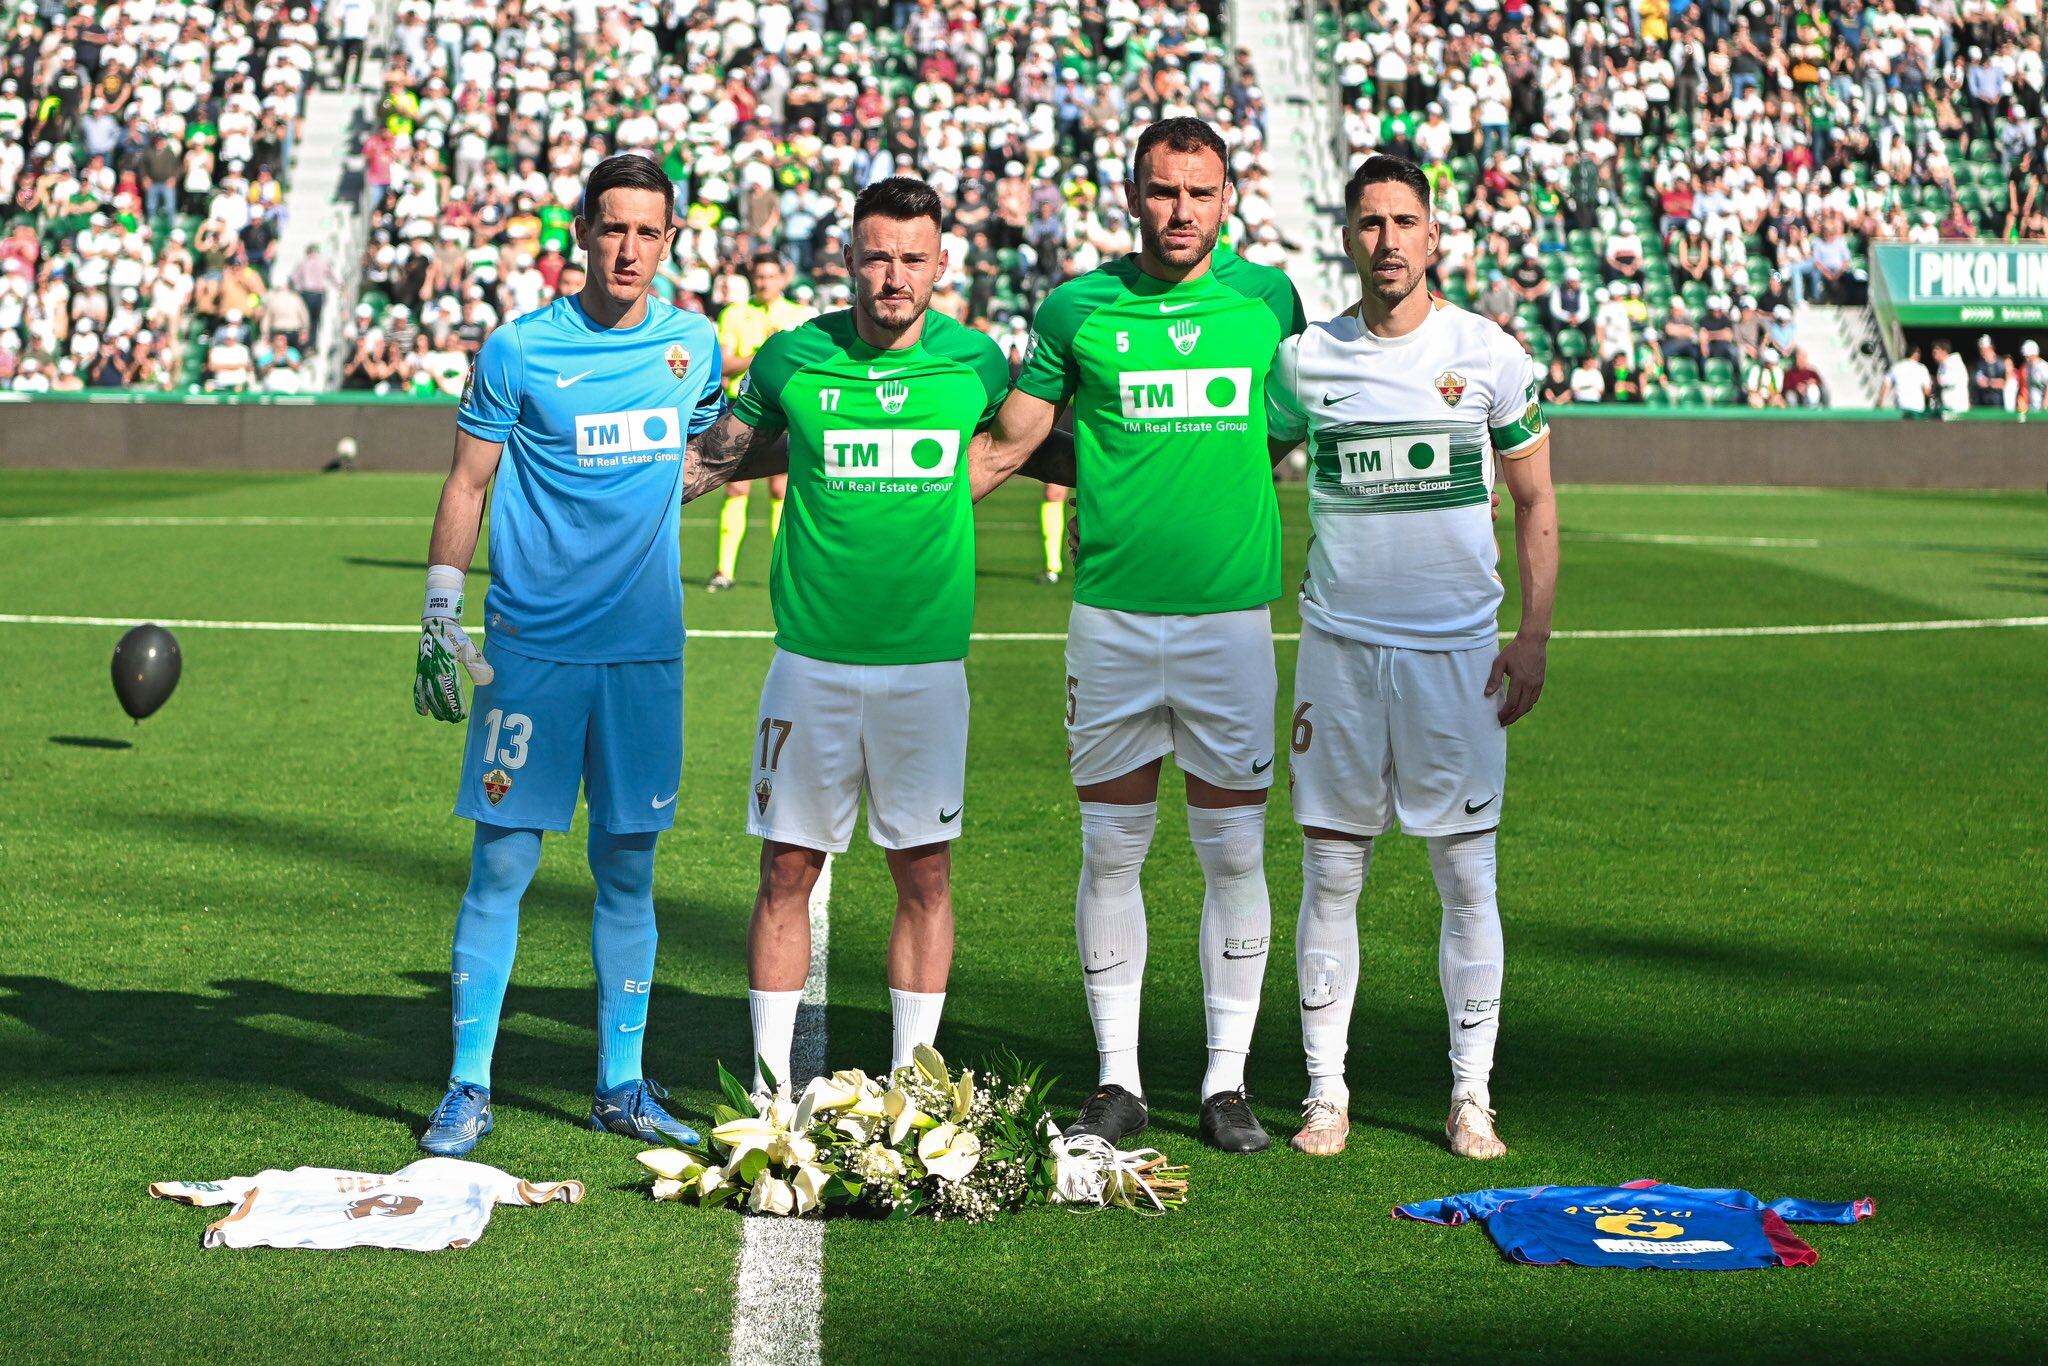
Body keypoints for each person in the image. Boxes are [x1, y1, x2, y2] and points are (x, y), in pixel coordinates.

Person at [968, 116, 1307, 1154]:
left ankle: (1223, 1082)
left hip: (1228, 623)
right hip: (1110, 622)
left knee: (1231, 852)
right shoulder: (1076, 307)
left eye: (1198, 193)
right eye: (1162, 191)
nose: (1180, 211)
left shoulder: (1266, 300)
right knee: (1111, 849)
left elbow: (1291, 424)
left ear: (1225, 200)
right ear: (1132, 194)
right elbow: (1008, 443)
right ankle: (1116, 1079)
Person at [410, 154, 727, 1157]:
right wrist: (437, 610)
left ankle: (620, 1084)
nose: (628, 249)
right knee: (501, 865)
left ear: (670, 239)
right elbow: (468, 482)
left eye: (648, 231)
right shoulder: (518, 349)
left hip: (641, 659)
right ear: (582, 234)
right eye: (611, 229)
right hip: (533, 654)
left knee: (627, 870)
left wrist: (682, 483)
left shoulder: (693, 346)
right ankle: (467, 1086)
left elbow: (704, 456)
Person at [683, 177, 1009, 1092]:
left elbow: (1027, 445)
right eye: (876, 256)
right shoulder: (791, 359)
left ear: (942, 264)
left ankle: (915, 1084)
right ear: (850, 261)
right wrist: (591, 505)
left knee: (925, 874)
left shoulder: (977, 363)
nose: (892, 276)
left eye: (912, 258)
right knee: (786, 869)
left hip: (927, 669)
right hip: (811, 665)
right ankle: (766, 1087)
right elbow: (711, 462)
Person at [1263, 153, 1556, 1161]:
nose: (1385, 241)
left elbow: (1534, 502)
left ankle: (1470, 1096)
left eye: (1403, 222)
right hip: (1340, 657)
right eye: (1367, 223)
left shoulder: (1488, 355)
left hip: (1456, 661)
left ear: (1433, 235)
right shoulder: (1305, 361)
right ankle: (1322, 1094)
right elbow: (1244, 464)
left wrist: (1532, 634)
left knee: (1465, 879)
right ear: (1345, 237)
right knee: (1330, 874)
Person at [709, 253, 814, 591]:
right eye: (760, 276)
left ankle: (782, 566)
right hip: (742, 405)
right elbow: (725, 363)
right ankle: (724, 570)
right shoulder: (735, 313)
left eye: (771, 276)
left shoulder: (799, 316)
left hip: (784, 407)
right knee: (735, 486)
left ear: (783, 279)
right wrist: (764, 353)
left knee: (780, 487)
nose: (765, 282)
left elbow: (808, 370)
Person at [1878, 344, 1933, 418]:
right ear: (1916, 355)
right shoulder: (1922, 369)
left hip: (1901, 405)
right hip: (1917, 407)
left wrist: (1881, 403)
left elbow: (1886, 385)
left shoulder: (1896, 367)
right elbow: (1927, 391)